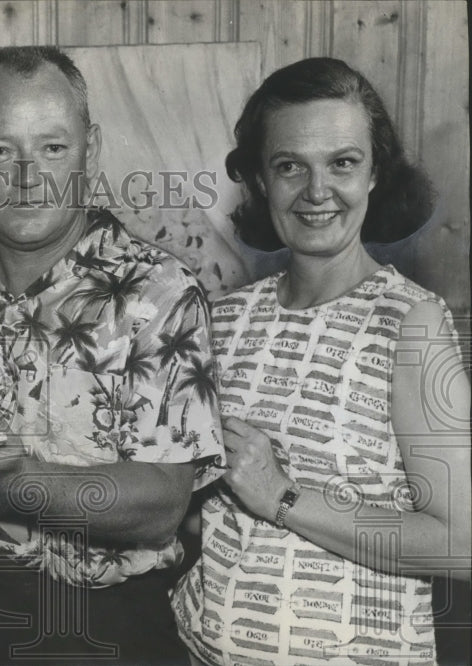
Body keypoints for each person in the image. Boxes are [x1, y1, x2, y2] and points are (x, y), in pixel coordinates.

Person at [0, 46, 225, 665]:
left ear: (91, 151)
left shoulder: (161, 293)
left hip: (103, 631)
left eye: (52, 148)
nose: (26, 176)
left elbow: (160, 506)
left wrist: (8, 480)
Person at [171, 57, 472, 665]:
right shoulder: (222, 319)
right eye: (290, 166)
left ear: (375, 174)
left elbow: (460, 544)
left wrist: (282, 495)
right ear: (259, 179)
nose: (316, 191)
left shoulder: (413, 323)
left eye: (343, 163)